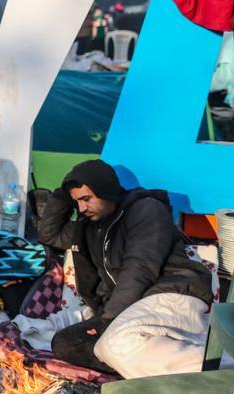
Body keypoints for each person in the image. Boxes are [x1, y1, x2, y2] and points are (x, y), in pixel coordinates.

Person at [37, 160, 215, 378]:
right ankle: (146, 373)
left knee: (115, 344)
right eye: (77, 202)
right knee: (65, 343)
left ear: (106, 190)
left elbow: (139, 269)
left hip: (170, 293)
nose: (82, 208)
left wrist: (108, 321)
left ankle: (216, 369)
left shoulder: (146, 209)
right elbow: (49, 234)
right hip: (127, 308)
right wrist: (64, 193)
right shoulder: (90, 226)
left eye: (87, 199)